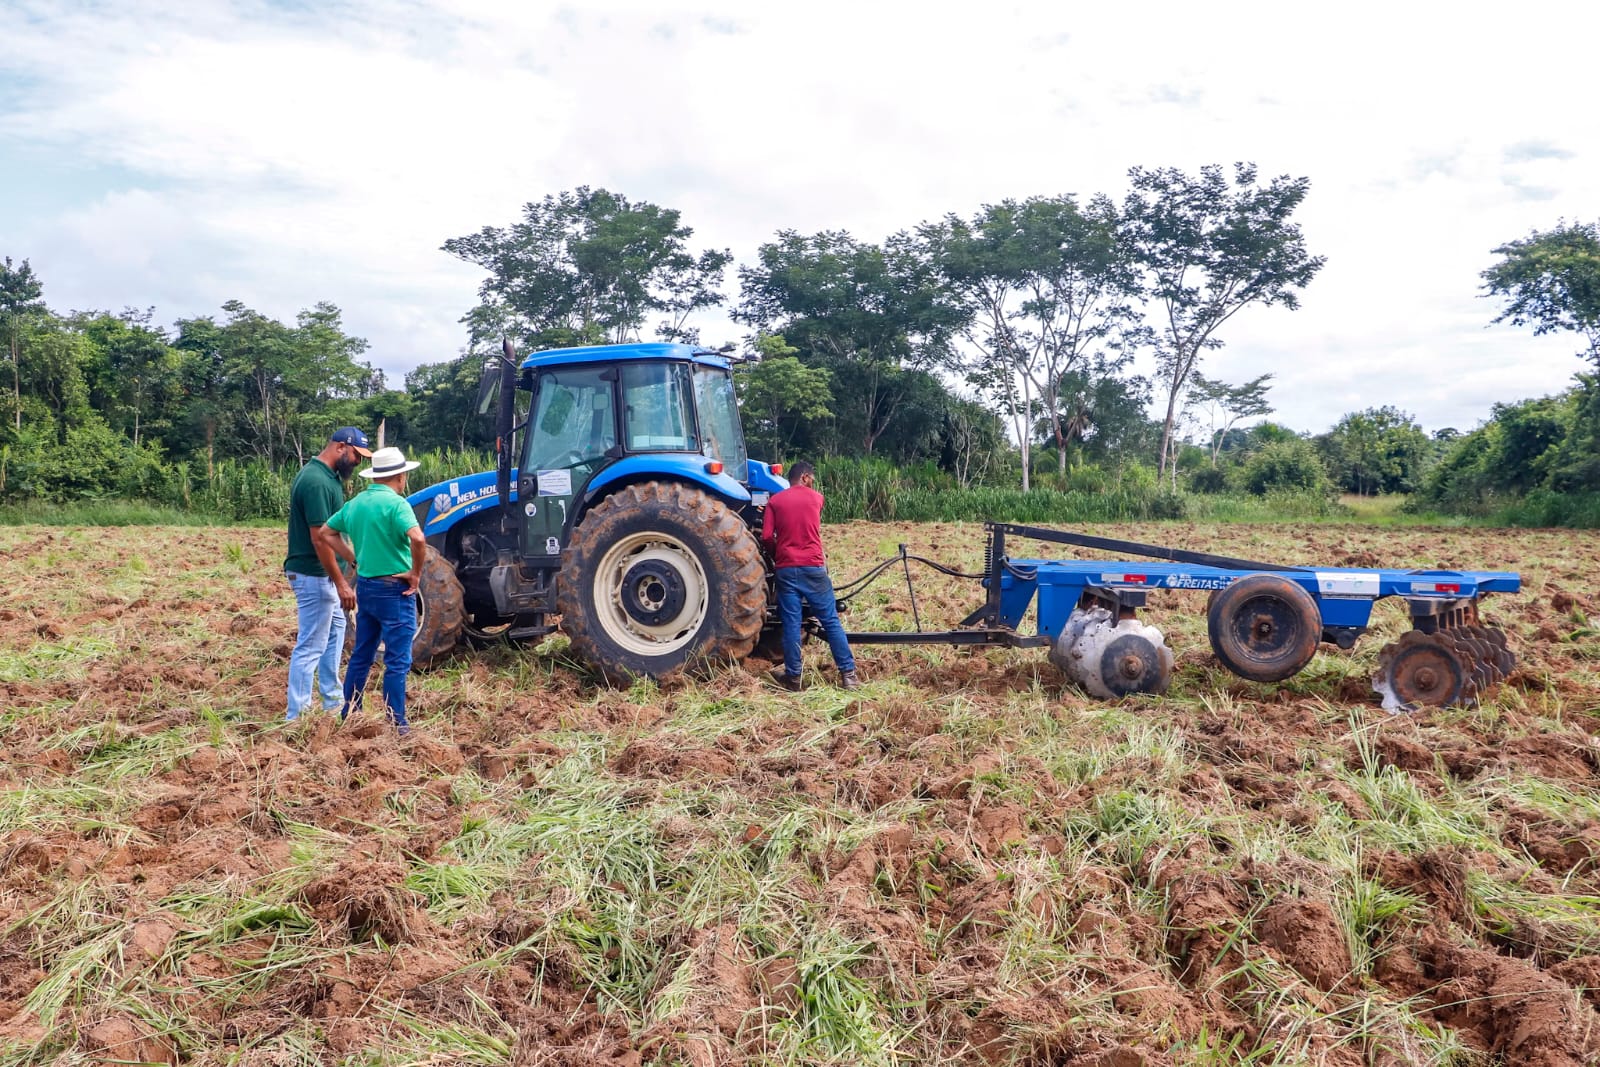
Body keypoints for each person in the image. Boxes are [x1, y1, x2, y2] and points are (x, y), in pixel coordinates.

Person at [315, 446, 428, 735]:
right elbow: (418, 539)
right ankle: (397, 723)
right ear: (400, 476)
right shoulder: (397, 505)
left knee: (362, 654)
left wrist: (353, 558)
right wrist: (415, 574)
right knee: (397, 661)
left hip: (366, 587)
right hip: (395, 590)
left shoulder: (356, 504)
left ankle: (351, 712)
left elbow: (326, 532)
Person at [283, 426, 369, 721]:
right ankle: (297, 716)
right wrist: (342, 582)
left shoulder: (328, 478)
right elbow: (320, 539)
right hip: (313, 574)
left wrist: (354, 560)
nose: (358, 462)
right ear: (341, 447)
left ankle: (332, 701)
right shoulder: (316, 482)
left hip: (323, 576)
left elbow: (334, 535)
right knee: (311, 644)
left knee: (335, 632)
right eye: (357, 455)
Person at [761, 460, 860, 691]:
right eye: (812, 479)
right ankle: (849, 676)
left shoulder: (775, 501)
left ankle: (793, 678)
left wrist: (778, 555)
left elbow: (766, 537)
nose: (813, 483)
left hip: (786, 569)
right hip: (814, 568)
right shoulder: (817, 498)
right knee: (830, 621)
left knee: (791, 624)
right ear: (805, 477)